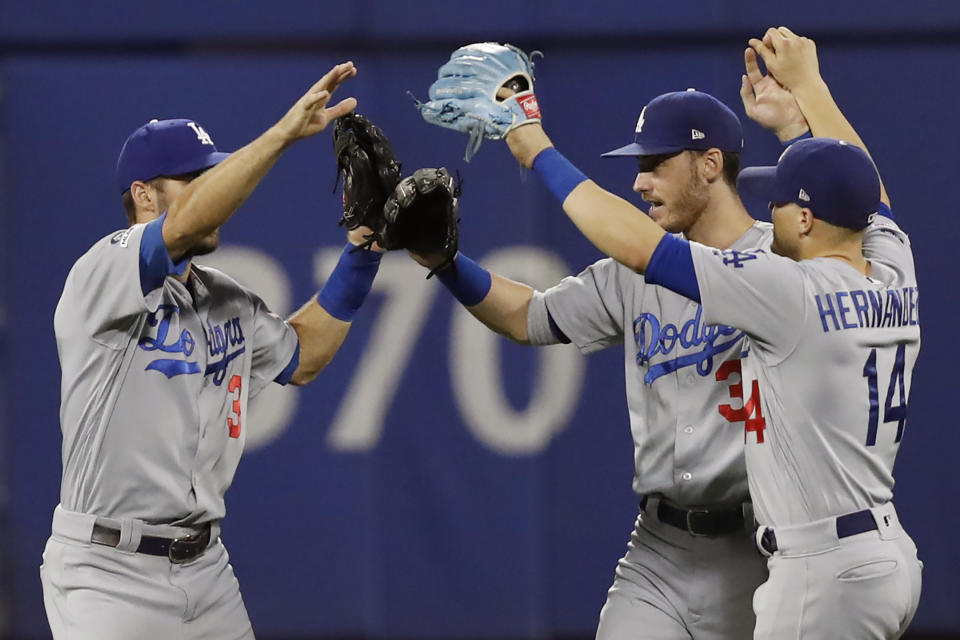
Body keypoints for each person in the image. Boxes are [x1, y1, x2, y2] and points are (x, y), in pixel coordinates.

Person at [493, 28, 922, 639]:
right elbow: (868, 193)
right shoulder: (891, 265)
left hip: (822, 567)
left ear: (805, 217)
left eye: (777, 201)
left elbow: (644, 250)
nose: (764, 209)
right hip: (886, 551)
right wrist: (808, 94)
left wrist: (537, 148)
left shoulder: (786, 290)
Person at [414, 55, 810, 640]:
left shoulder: (783, 263)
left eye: (655, 163)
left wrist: (802, 124)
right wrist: (447, 264)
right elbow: (531, 316)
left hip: (762, 550)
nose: (639, 180)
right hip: (658, 549)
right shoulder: (632, 271)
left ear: (710, 165)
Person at [41, 62, 381, 639]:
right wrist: (280, 136)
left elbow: (303, 357)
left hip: (206, 569)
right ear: (144, 196)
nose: (214, 190)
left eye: (213, 174)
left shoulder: (223, 296)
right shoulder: (103, 271)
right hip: (105, 573)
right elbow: (184, 225)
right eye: (193, 179)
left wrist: (364, 250)